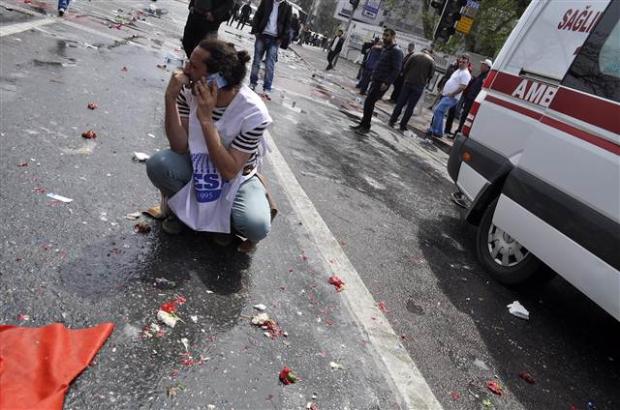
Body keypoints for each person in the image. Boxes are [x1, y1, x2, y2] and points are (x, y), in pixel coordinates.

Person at [146, 39, 274, 252]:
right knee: (159, 165)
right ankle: (181, 213)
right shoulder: (189, 92)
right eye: (188, 62)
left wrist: (206, 120)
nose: (186, 69)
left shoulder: (253, 113)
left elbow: (229, 171)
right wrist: (170, 98)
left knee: (256, 226)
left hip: (237, 177)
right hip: (198, 164)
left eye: (194, 67)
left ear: (217, 79)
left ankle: (224, 226)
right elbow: (179, 147)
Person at [350, 29, 403, 134]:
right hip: (376, 79)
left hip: (382, 82)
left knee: (369, 102)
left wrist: (387, 82)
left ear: (393, 36)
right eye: (383, 35)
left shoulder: (396, 51)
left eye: (387, 35)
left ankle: (365, 127)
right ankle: (363, 124)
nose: (384, 37)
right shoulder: (386, 48)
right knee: (368, 103)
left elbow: (397, 69)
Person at [249, 0, 292, 98]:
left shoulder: (287, 7)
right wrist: (256, 31)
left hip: (275, 39)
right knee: (256, 61)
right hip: (262, 35)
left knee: (270, 64)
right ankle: (252, 83)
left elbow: (287, 24)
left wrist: (281, 38)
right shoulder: (266, 1)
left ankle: (267, 88)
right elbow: (258, 15)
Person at [389, 48, 435, 131]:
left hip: (408, 82)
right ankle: (403, 124)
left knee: (400, 102)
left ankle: (392, 119)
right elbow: (431, 75)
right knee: (411, 106)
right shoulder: (431, 61)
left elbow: (405, 67)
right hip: (419, 85)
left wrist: (407, 77)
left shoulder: (414, 55)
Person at [427, 54, 471, 139]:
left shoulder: (466, 74)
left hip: (452, 97)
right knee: (440, 112)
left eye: (464, 62)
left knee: (438, 110)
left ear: (467, 63)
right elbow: (451, 81)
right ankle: (438, 131)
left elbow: (462, 87)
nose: (461, 63)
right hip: (446, 95)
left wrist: (452, 94)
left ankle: (436, 130)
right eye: (460, 61)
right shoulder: (458, 70)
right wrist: (444, 90)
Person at [454, 58, 492, 135]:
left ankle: (460, 132)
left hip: (473, 100)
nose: (481, 66)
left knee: (466, 117)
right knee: (464, 116)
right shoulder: (481, 75)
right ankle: (458, 131)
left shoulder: (487, 77)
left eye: (483, 65)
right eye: (482, 65)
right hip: (469, 98)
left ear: (487, 67)